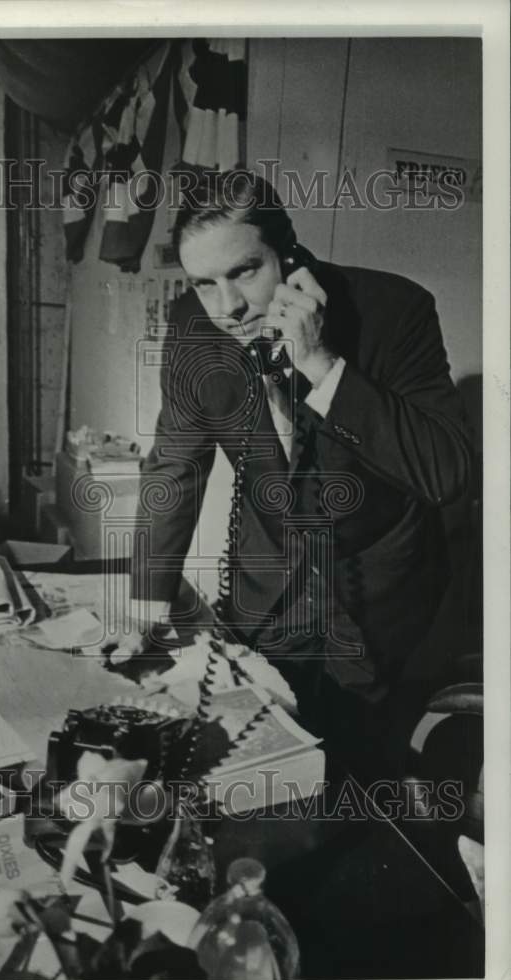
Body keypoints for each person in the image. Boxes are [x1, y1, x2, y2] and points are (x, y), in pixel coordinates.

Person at [101, 168, 474, 775]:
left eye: (245, 271)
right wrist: (146, 612)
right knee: (259, 769)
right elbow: (174, 467)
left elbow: (446, 471)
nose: (230, 307)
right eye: (205, 282)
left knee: (360, 774)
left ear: (291, 255)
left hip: (383, 601)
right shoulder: (194, 329)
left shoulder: (394, 310)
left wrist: (323, 365)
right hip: (265, 590)